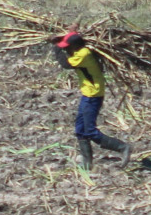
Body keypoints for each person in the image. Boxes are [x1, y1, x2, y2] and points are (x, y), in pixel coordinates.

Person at [53, 30, 131, 170]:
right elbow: (71, 34)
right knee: (80, 130)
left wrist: (56, 47)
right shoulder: (79, 51)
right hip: (87, 94)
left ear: (75, 46)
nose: (67, 49)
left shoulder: (84, 54)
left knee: (89, 131)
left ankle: (122, 147)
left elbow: (65, 64)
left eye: (68, 47)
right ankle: (87, 164)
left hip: (93, 95)